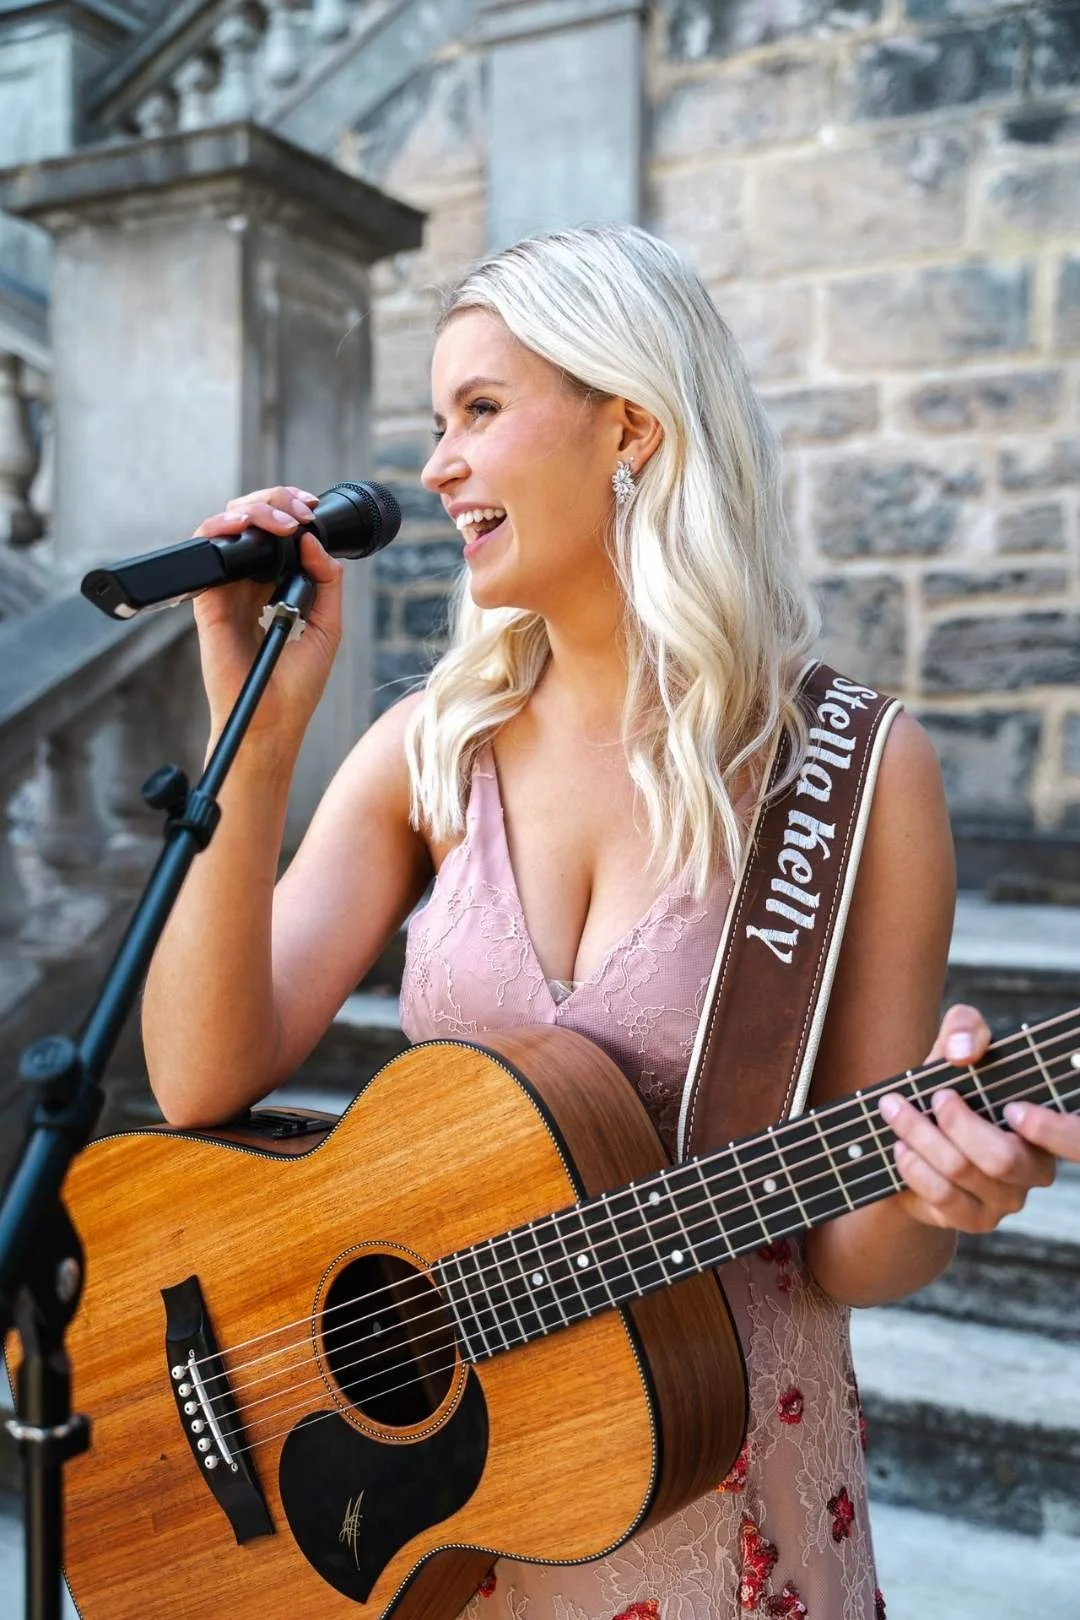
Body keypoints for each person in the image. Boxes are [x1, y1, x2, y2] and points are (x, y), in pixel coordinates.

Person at [144, 225, 1080, 1620]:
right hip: (438, 1529)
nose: (437, 466)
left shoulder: (854, 772)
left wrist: (945, 1190)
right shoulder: (428, 753)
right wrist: (254, 728)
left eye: (478, 410)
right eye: (435, 420)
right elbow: (198, 1076)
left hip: (717, 1501)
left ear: (630, 425)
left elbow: (848, 1255)